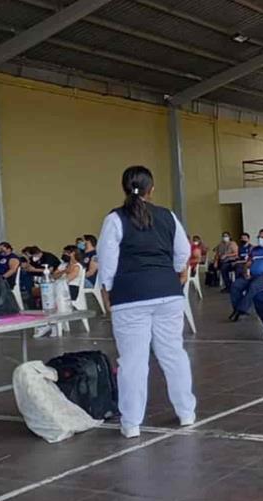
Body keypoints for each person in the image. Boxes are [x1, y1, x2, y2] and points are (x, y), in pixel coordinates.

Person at [97, 165, 196, 439]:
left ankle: (131, 423)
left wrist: (107, 288)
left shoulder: (115, 219)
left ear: (124, 188)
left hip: (130, 297)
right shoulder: (168, 216)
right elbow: (183, 252)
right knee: (173, 354)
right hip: (168, 292)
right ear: (151, 190)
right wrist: (172, 274)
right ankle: (186, 413)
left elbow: (107, 259)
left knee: (132, 362)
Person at [228, 229, 263, 321]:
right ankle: (239, 308)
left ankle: (240, 310)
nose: (260, 239)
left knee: (254, 286)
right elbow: (248, 263)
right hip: (252, 275)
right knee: (235, 285)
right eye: (259, 237)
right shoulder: (255, 250)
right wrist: (245, 272)